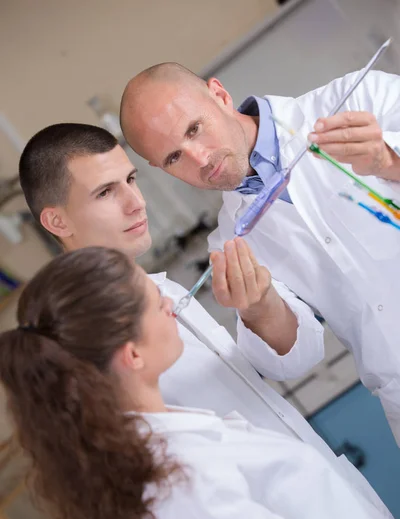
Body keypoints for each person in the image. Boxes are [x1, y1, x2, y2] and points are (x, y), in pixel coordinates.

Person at [1, 245, 400, 519]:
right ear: (133, 356)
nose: (172, 306)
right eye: (156, 303)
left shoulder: (167, 446)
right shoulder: (182, 485)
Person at [120, 62, 400, 443]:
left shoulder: (358, 98)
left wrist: (389, 161)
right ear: (159, 167)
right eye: (173, 157)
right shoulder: (229, 244)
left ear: (219, 95)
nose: (200, 159)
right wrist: (258, 306)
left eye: (194, 129)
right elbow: (299, 357)